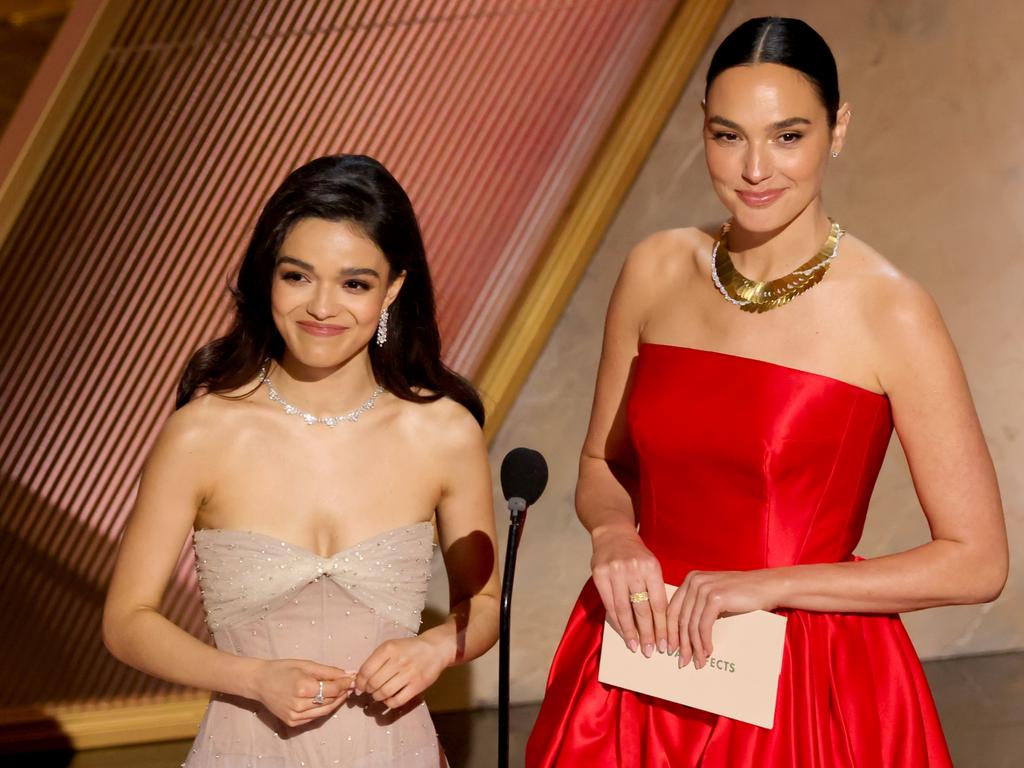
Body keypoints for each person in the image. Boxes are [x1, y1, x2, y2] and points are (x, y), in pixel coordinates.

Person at [526, 17, 1007, 768]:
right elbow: (602, 465)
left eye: (787, 136)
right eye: (728, 136)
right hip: (639, 662)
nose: (755, 168)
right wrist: (615, 537)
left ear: (836, 129)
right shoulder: (655, 269)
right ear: (702, 131)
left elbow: (977, 563)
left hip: (803, 680)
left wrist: (766, 585)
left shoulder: (892, 311)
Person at [102, 155, 500, 767]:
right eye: (297, 276)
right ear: (270, 279)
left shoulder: (443, 432)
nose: (321, 306)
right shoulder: (202, 434)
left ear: (393, 288)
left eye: (354, 283)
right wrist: (252, 678)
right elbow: (127, 621)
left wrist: (437, 647)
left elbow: (484, 605)